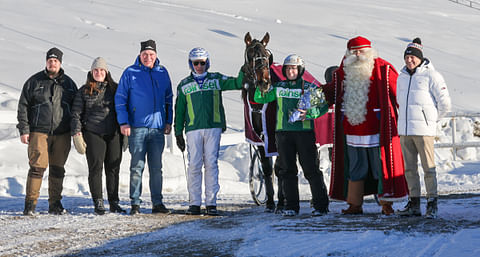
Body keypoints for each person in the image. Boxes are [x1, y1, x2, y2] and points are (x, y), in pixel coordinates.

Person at [323, 36, 408, 215]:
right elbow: (332, 91)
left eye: (361, 51)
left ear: (369, 52)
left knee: (379, 166)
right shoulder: (343, 71)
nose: (358, 55)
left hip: (376, 129)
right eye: (354, 52)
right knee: (356, 167)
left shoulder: (383, 69)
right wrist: (315, 92)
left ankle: (386, 203)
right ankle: (355, 204)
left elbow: (401, 93)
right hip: (352, 130)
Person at [254, 54, 330, 217]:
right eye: (288, 68)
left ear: (300, 70)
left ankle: (321, 205)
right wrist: (261, 84)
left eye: (294, 68)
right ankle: (291, 206)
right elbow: (259, 98)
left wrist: (309, 114)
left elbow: (323, 107)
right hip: (283, 134)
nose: (291, 71)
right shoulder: (279, 87)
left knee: (311, 170)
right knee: (287, 171)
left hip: (304, 134)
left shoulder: (310, 87)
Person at [174, 47, 244, 216]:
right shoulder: (184, 85)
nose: (199, 66)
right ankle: (195, 203)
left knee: (211, 164)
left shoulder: (216, 79)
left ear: (208, 63)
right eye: (196, 63)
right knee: (194, 165)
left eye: (202, 63)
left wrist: (245, 67)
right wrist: (178, 132)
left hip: (213, 126)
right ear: (190, 64)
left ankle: (211, 203)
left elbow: (237, 83)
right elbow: (180, 109)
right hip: (193, 129)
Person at [115, 40, 173, 215]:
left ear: (156, 55)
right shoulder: (130, 72)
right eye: (145, 54)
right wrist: (124, 122)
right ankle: (135, 203)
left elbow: (169, 99)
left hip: (157, 129)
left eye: (151, 54)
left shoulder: (162, 72)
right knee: (137, 166)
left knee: (156, 168)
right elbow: (120, 99)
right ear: (140, 55)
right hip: (137, 128)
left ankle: (157, 203)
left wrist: (168, 121)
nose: (148, 57)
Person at [17, 47, 78, 215]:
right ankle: (30, 204)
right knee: (37, 167)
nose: (53, 63)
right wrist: (24, 129)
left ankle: (55, 203)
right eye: (50, 60)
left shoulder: (69, 84)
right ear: (46, 62)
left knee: (58, 168)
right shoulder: (34, 82)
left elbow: (77, 109)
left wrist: (76, 130)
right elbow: (23, 106)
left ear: (60, 63)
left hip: (62, 133)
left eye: (56, 60)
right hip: (38, 132)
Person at [396, 38, 451, 219]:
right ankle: (414, 203)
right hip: (405, 131)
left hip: (424, 131)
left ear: (420, 58)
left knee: (429, 168)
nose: (409, 60)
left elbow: (445, 103)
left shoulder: (432, 75)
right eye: (407, 57)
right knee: (409, 169)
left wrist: (432, 120)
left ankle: (432, 203)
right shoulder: (402, 77)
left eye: (413, 57)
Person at [71, 57, 126, 215]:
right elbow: (76, 113)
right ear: (91, 72)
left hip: (114, 132)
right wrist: (76, 133)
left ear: (106, 72)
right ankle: (98, 201)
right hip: (93, 132)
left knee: (113, 167)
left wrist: (125, 130)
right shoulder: (84, 91)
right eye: (96, 70)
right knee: (96, 168)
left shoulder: (116, 89)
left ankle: (114, 202)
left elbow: (124, 109)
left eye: (102, 70)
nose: (99, 73)